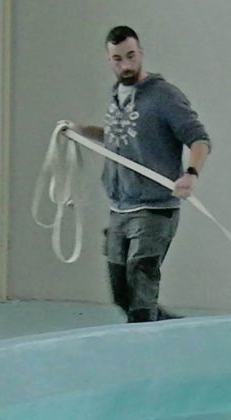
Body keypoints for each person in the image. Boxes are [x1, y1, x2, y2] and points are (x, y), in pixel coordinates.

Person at [71, 25, 211, 322]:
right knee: (122, 293)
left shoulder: (164, 96)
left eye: (131, 56)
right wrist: (82, 132)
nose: (126, 65)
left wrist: (191, 173)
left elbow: (199, 139)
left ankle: (146, 355)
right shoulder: (118, 94)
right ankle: (175, 331)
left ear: (141, 53)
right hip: (120, 208)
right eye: (118, 59)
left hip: (154, 208)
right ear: (109, 60)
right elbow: (121, 137)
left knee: (141, 290)